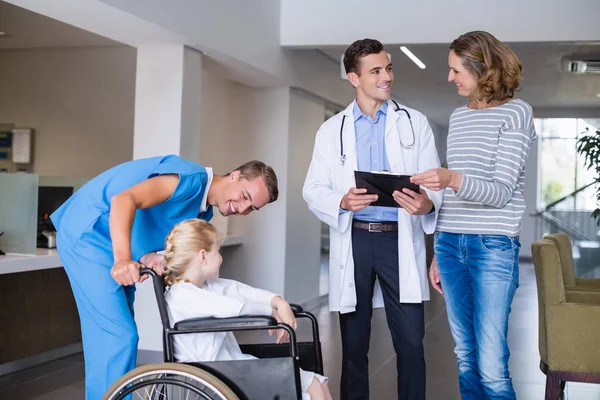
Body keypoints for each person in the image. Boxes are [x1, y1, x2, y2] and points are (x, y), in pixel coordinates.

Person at [50, 155, 278, 400]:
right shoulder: (190, 181)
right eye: (245, 196)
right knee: (118, 335)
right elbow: (124, 200)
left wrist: (146, 256)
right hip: (89, 234)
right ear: (234, 175)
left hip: (110, 241)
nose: (242, 208)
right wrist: (123, 259)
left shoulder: (203, 215)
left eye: (252, 207)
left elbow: (146, 220)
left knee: (110, 335)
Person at [303, 38, 443, 400]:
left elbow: (435, 183)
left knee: (412, 342)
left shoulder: (415, 122)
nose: (387, 77)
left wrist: (426, 205)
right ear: (354, 78)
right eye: (376, 71)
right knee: (353, 346)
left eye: (389, 68)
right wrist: (343, 200)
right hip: (356, 238)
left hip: (399, 238)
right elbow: (313, 188)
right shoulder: (331, 130)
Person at [411, 31, 536, 400]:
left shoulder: (517, 112)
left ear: (482, 69)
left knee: (492, 363)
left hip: (493, 247)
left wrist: (452, 177)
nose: (450, 78)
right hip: (451, 245)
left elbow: (499, 192)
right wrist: (437, 249)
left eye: (455, 70)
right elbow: (454, 199)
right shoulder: (458, 117)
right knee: (465, 356)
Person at [162, 218, 332, 400]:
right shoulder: (183, 294)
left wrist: (277, 301)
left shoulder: (205, 286)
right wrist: (271, 312)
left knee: (316, 382)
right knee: (307, 390)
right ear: (203, 256)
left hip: (231, 364)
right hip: (215, 371)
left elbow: (244, 292)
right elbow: (235, 308)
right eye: (218, 252)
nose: (221, 258)